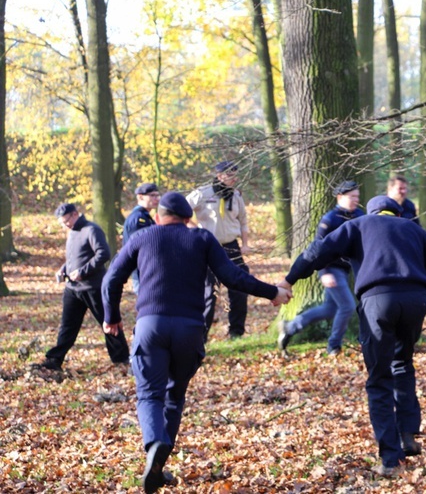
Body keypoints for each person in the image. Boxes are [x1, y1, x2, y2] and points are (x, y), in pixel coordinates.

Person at [101, 192, 292, 493]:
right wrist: (271, 292)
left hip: (150, 325)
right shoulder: (201, 238)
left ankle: (154, 445)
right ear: (188, 218)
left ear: (160, 215)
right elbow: (232, 277)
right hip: (190, 329)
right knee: (174, 396)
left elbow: (111, 279)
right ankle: (159, 464)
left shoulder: (143, 237)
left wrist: (111, 317)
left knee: (149, 395)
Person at [277, 195, 426, 476]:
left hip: (378, 300)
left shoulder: (358, 225)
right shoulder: (415, 230)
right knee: (403, 363)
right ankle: (408, 433)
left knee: (379, 378)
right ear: (397, 214)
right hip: (415, 300)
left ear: (371, 212)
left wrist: (289, 279)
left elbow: (317, 251)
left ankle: (390, 458)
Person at [31, 203, 129, 372]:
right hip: (73, 289)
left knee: (108, 322)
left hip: (93, 287)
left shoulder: (91, 230)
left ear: (75, 214)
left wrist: (83, 272)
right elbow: (74, 259)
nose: (64, 225)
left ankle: (122, 359)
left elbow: (103, 253)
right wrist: (63, 270)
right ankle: (54, 359)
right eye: (62, 223)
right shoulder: (72, 233)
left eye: (66, 221)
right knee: (68, 325)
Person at [278, 180, 365, 355]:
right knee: (347, 306)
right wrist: (324, 272)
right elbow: (317, 248)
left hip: (346, 270)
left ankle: (290, 326)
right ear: (340, 197)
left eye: (357, 196)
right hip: (331, 270)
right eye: (352, 196)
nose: (356, 200)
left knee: (329, 309)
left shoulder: (360, 216)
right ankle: (334, 346)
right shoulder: (330, 219)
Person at [186, 161, 252, 340]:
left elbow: (243, 221)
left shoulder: (236, 196)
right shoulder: (203, 193)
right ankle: (201, 335)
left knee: (239, 288)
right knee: (209, 293)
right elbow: (182, 211)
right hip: (208, 247)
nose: (233, 178)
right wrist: (196, 230)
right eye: (229, 175)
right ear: (219, 175)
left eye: (235, 175)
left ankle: (236, 332)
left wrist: (245, 244)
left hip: (231, 247)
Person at [123, 183, 160, 294]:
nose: (156, 199)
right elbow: (142, 247)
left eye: (157, 195)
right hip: (141, 269)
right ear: (140, 197)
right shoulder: (139, 219)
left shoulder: (145, 217)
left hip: (146, 268)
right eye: (152, 195)